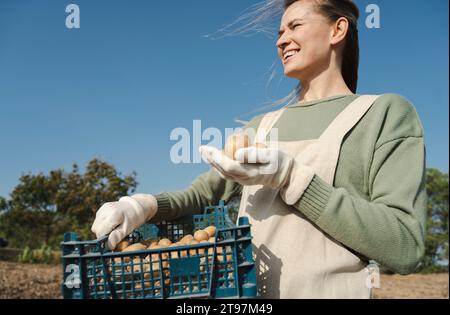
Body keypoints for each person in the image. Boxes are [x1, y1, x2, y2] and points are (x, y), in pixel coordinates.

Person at [91, 0, 427, 298]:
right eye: (280, 32)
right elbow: (203, 195)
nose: (281, 40)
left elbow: (404, 246)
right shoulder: (259, 128)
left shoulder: (383, 114)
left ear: (337, 29)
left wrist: (291, 178)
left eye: (295, 26)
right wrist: (142, 206)